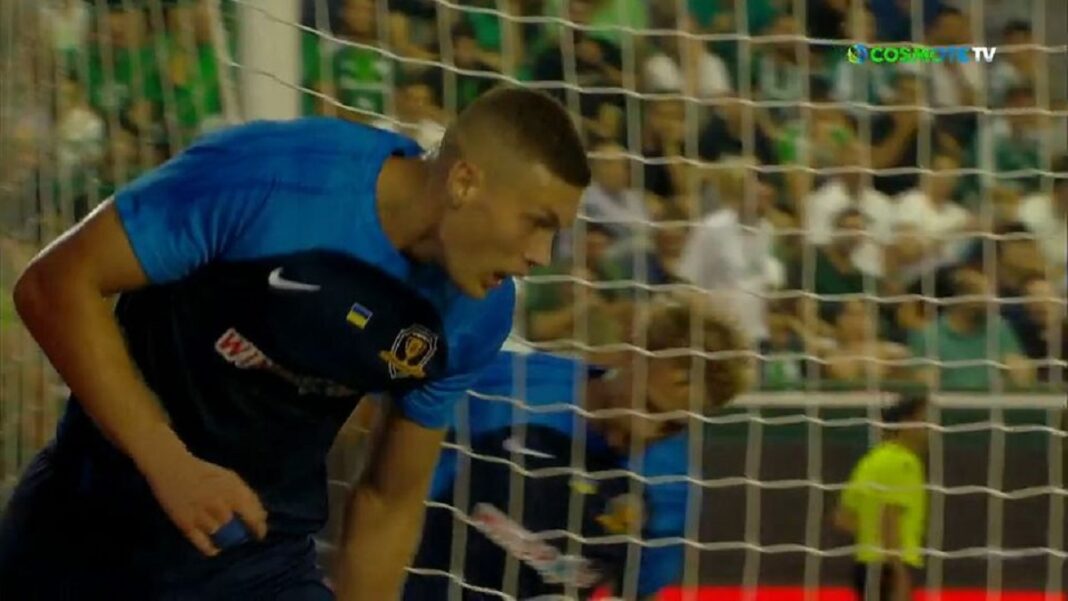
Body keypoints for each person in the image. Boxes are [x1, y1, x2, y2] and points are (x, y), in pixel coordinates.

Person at [0, 86, 589, 600]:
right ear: (463, 182)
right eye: (536, 222)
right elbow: (53, 286)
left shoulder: (477, 314)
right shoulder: (273, 179)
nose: (540, 256)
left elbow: (387, 501)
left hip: (256, 561)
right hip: (87, 523)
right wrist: (168, 462)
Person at [402, 302, 752, 600]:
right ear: (631, 353)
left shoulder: (671, 488)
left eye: (672, 425)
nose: (647, 429)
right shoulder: (512, 382)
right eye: (647, 404)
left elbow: (640, 589)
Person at [833, 393, 929, 601]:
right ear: (906, 424)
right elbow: (890, 515)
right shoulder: (904, 462)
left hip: (865, 564)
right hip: (890, 567)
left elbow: (844, 518)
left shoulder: (870, 461)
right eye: (923, 421)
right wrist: (898, 571)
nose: (929, 429)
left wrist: (871, 535)